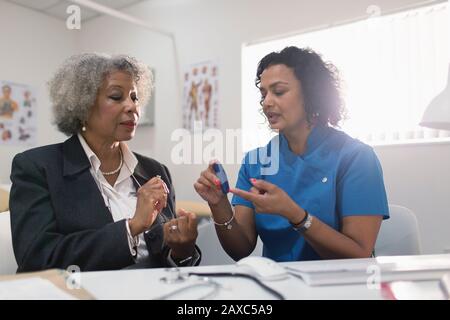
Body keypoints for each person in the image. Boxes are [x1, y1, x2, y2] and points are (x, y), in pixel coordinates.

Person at [194, 46, 389, 262]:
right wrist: (219, 203)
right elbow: (241, 249)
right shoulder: (255, 162)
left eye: (278, 92)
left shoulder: (356, 158)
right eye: (263, 93)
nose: (267, 102)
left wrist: (296, 216)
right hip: (277, 288)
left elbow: (358, 254)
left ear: (311, 94)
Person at [10, 53, 200, 272]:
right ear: (82, 105)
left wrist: (182, 251)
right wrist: (132, 227)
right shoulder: (37, 167)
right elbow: (38, 258)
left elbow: (170, 261)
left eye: (135, 97)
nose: (132, 107)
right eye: (117, 97)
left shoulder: (155, 171)